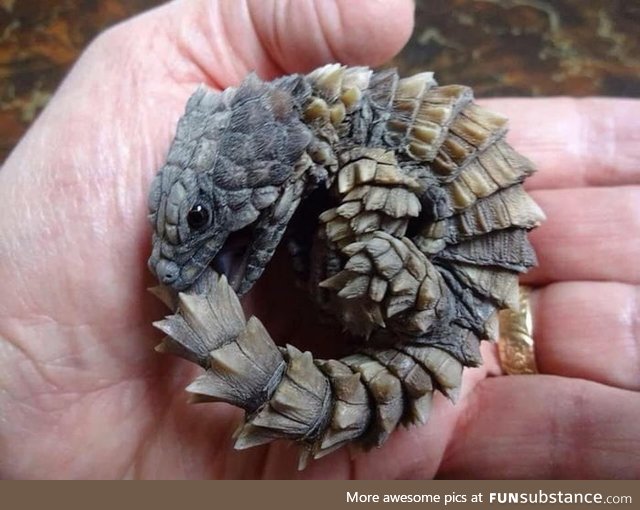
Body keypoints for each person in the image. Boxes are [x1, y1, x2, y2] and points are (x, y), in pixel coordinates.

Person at [0, 0, 638, 480]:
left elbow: (374, 197)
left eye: (202, 216)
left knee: (365, 209)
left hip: (448, 277)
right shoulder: (289, 137)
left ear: (270, 159)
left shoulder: (329, 148)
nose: (177, 270)